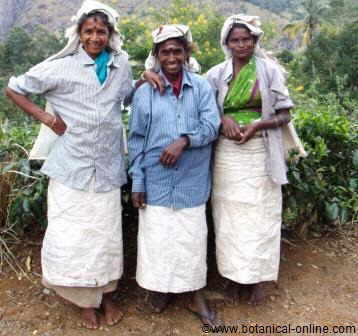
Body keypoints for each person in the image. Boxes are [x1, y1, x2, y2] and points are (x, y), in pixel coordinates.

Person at [5, 0, 132, 329]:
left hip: (106, 168)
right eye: (88, 31)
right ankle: (82, 302)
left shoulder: (120, 65)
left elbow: (128, 98)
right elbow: (15, 89)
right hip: (71, 169)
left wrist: (148, 77)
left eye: (101, 31)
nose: (95, 37)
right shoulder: (61, 66)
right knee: (73, 236)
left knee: (104, 236)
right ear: (78, 33)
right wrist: (47, 117)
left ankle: (105, 294)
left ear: (110, 34)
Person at [205, 14, 306, 304]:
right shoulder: (215, 74)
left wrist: (257, 125)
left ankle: (258, 280)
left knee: (261, 216)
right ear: (226, 43)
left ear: (255, 40)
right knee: (229, 217)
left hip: (260, 152)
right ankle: (234, 278)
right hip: (227, 155)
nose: (241, 45)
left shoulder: (270, 71)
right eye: (235, 40)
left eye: (246, 39)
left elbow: (285, 114)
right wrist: (223, 118)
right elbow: (205, 110)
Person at [128, 24, 220, 326]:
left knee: (191, 240)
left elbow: (211, 126)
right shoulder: (146, 92)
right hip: (155, 180)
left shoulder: (201, 86)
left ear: (186, 53)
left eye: (177, 50)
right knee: (158, 238)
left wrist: (184, 140)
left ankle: (195, 296)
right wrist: (138, 181)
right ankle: (163, 290)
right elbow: (137, 139)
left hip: (191, 181)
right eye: (165, 51)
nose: (171, 56)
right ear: (156, 55)